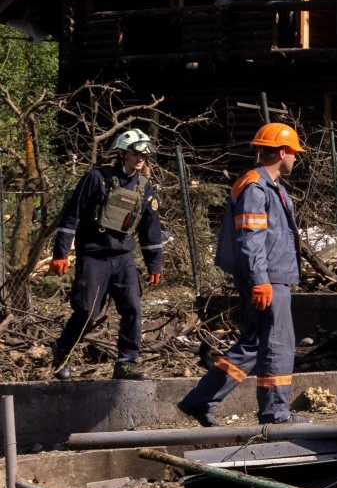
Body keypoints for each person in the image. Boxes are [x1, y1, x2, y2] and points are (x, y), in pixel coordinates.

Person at [178, 123, 306, 426]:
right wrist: (260, 280)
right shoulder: (256, 187)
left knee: (255, 344)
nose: (296, 159)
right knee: (277, 344)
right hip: (267, 278)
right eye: (295, 153)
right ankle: (274, 411)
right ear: (283, 151)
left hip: (269, 276)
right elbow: (250, 238)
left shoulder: (269, 187)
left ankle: (200, 400)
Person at [48, 129, 165, 381]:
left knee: (133, 308)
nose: (140, 159)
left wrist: (154, 264)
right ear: (122, 154)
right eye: (135, 154)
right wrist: (60, 253)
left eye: (144, 155)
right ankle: (63, 351)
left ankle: (127, 363)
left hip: (123, 257)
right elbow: (71, 214)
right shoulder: (96, 178)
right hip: (94, 255)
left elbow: (150, 229)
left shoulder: (145, 188)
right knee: (88, 311)